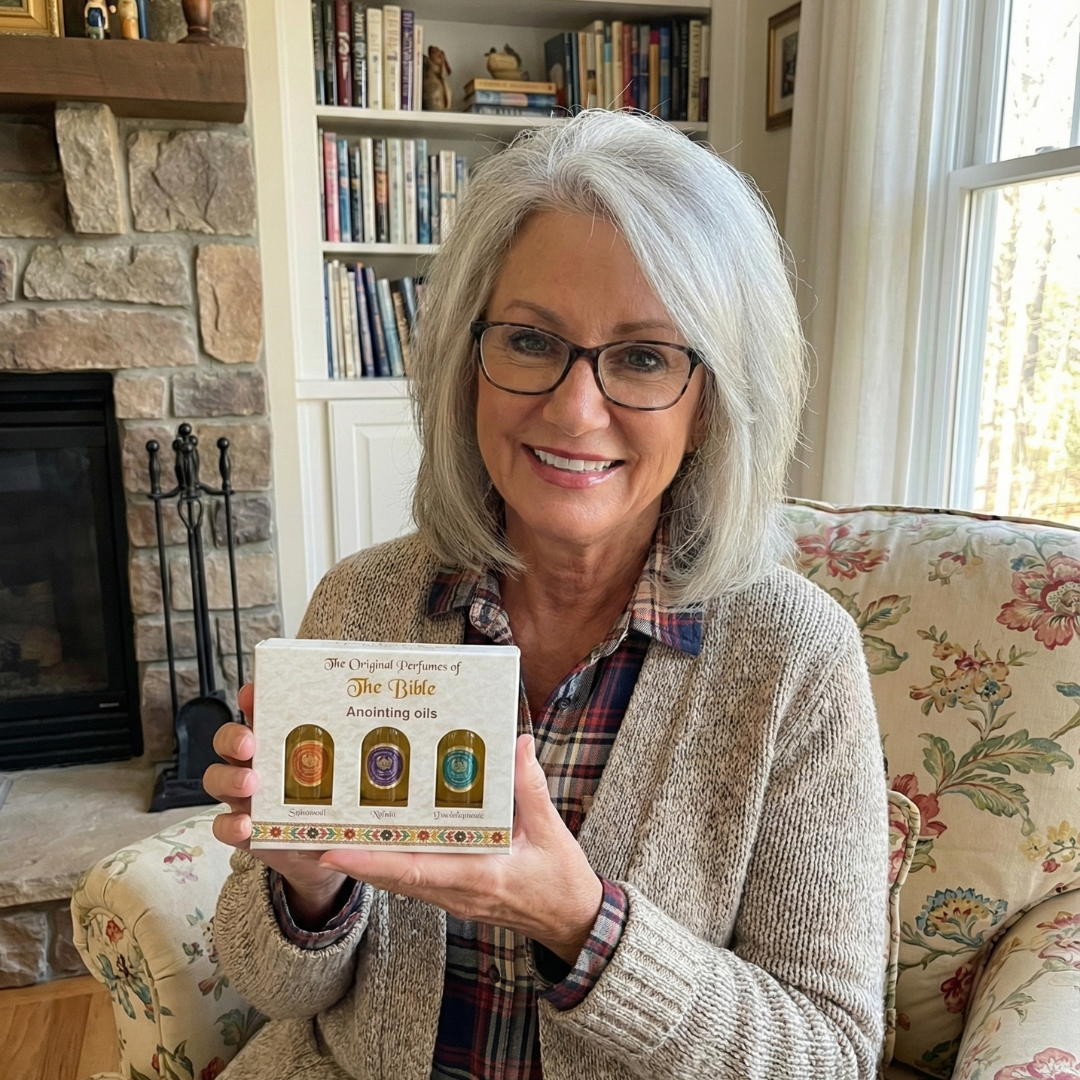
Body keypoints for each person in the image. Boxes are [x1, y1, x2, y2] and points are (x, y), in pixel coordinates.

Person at [205, 109, 889, 1080]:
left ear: (710, 404)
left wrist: (582, 924)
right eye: (530, 340)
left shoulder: (795, 659)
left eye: (644, 357)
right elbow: (272, 991)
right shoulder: (363, 604)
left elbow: (829, 1054)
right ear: (467, 366)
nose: (574, 409)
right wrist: (306, 887)